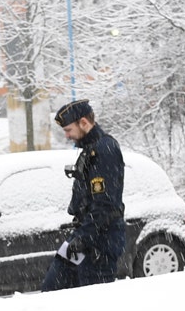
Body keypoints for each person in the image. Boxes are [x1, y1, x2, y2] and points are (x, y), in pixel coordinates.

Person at [41, 99, 126, 293]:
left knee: (92, 302)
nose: (67, 135)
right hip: (84, 236)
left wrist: (83, 239)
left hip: (99, 242)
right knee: (51, 289)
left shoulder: (105, 150)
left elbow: (105, 205)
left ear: (84, 123)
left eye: (69, 130)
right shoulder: (90, 149)